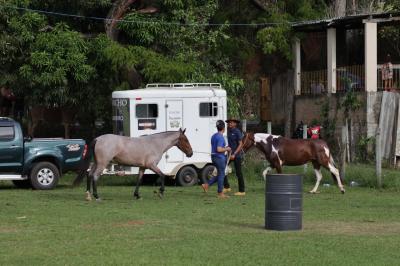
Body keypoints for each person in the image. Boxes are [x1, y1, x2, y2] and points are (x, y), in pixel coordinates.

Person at [201, 120, 231, 199]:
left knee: (219, 174)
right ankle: (220, 193)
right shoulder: (221, 137)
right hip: (219, 158)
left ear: (217, 128)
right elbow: (219, 149)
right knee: (222, 175)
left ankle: (206, 185)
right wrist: (227, 148)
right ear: (224, 128)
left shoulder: (213, 136)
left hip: (214, 157)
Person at [223, 118, 245, 196]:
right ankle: (226, 187)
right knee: (223, 168)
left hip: (237, 155)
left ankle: (242, 191)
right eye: (229, 123)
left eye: (231, 123)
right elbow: (230, 144)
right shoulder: (229, 131)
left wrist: (234, 154)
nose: (229, 124)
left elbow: (240, 144)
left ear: (235, 124)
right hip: (229, 154)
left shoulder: (237, 132)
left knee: (238, 173)